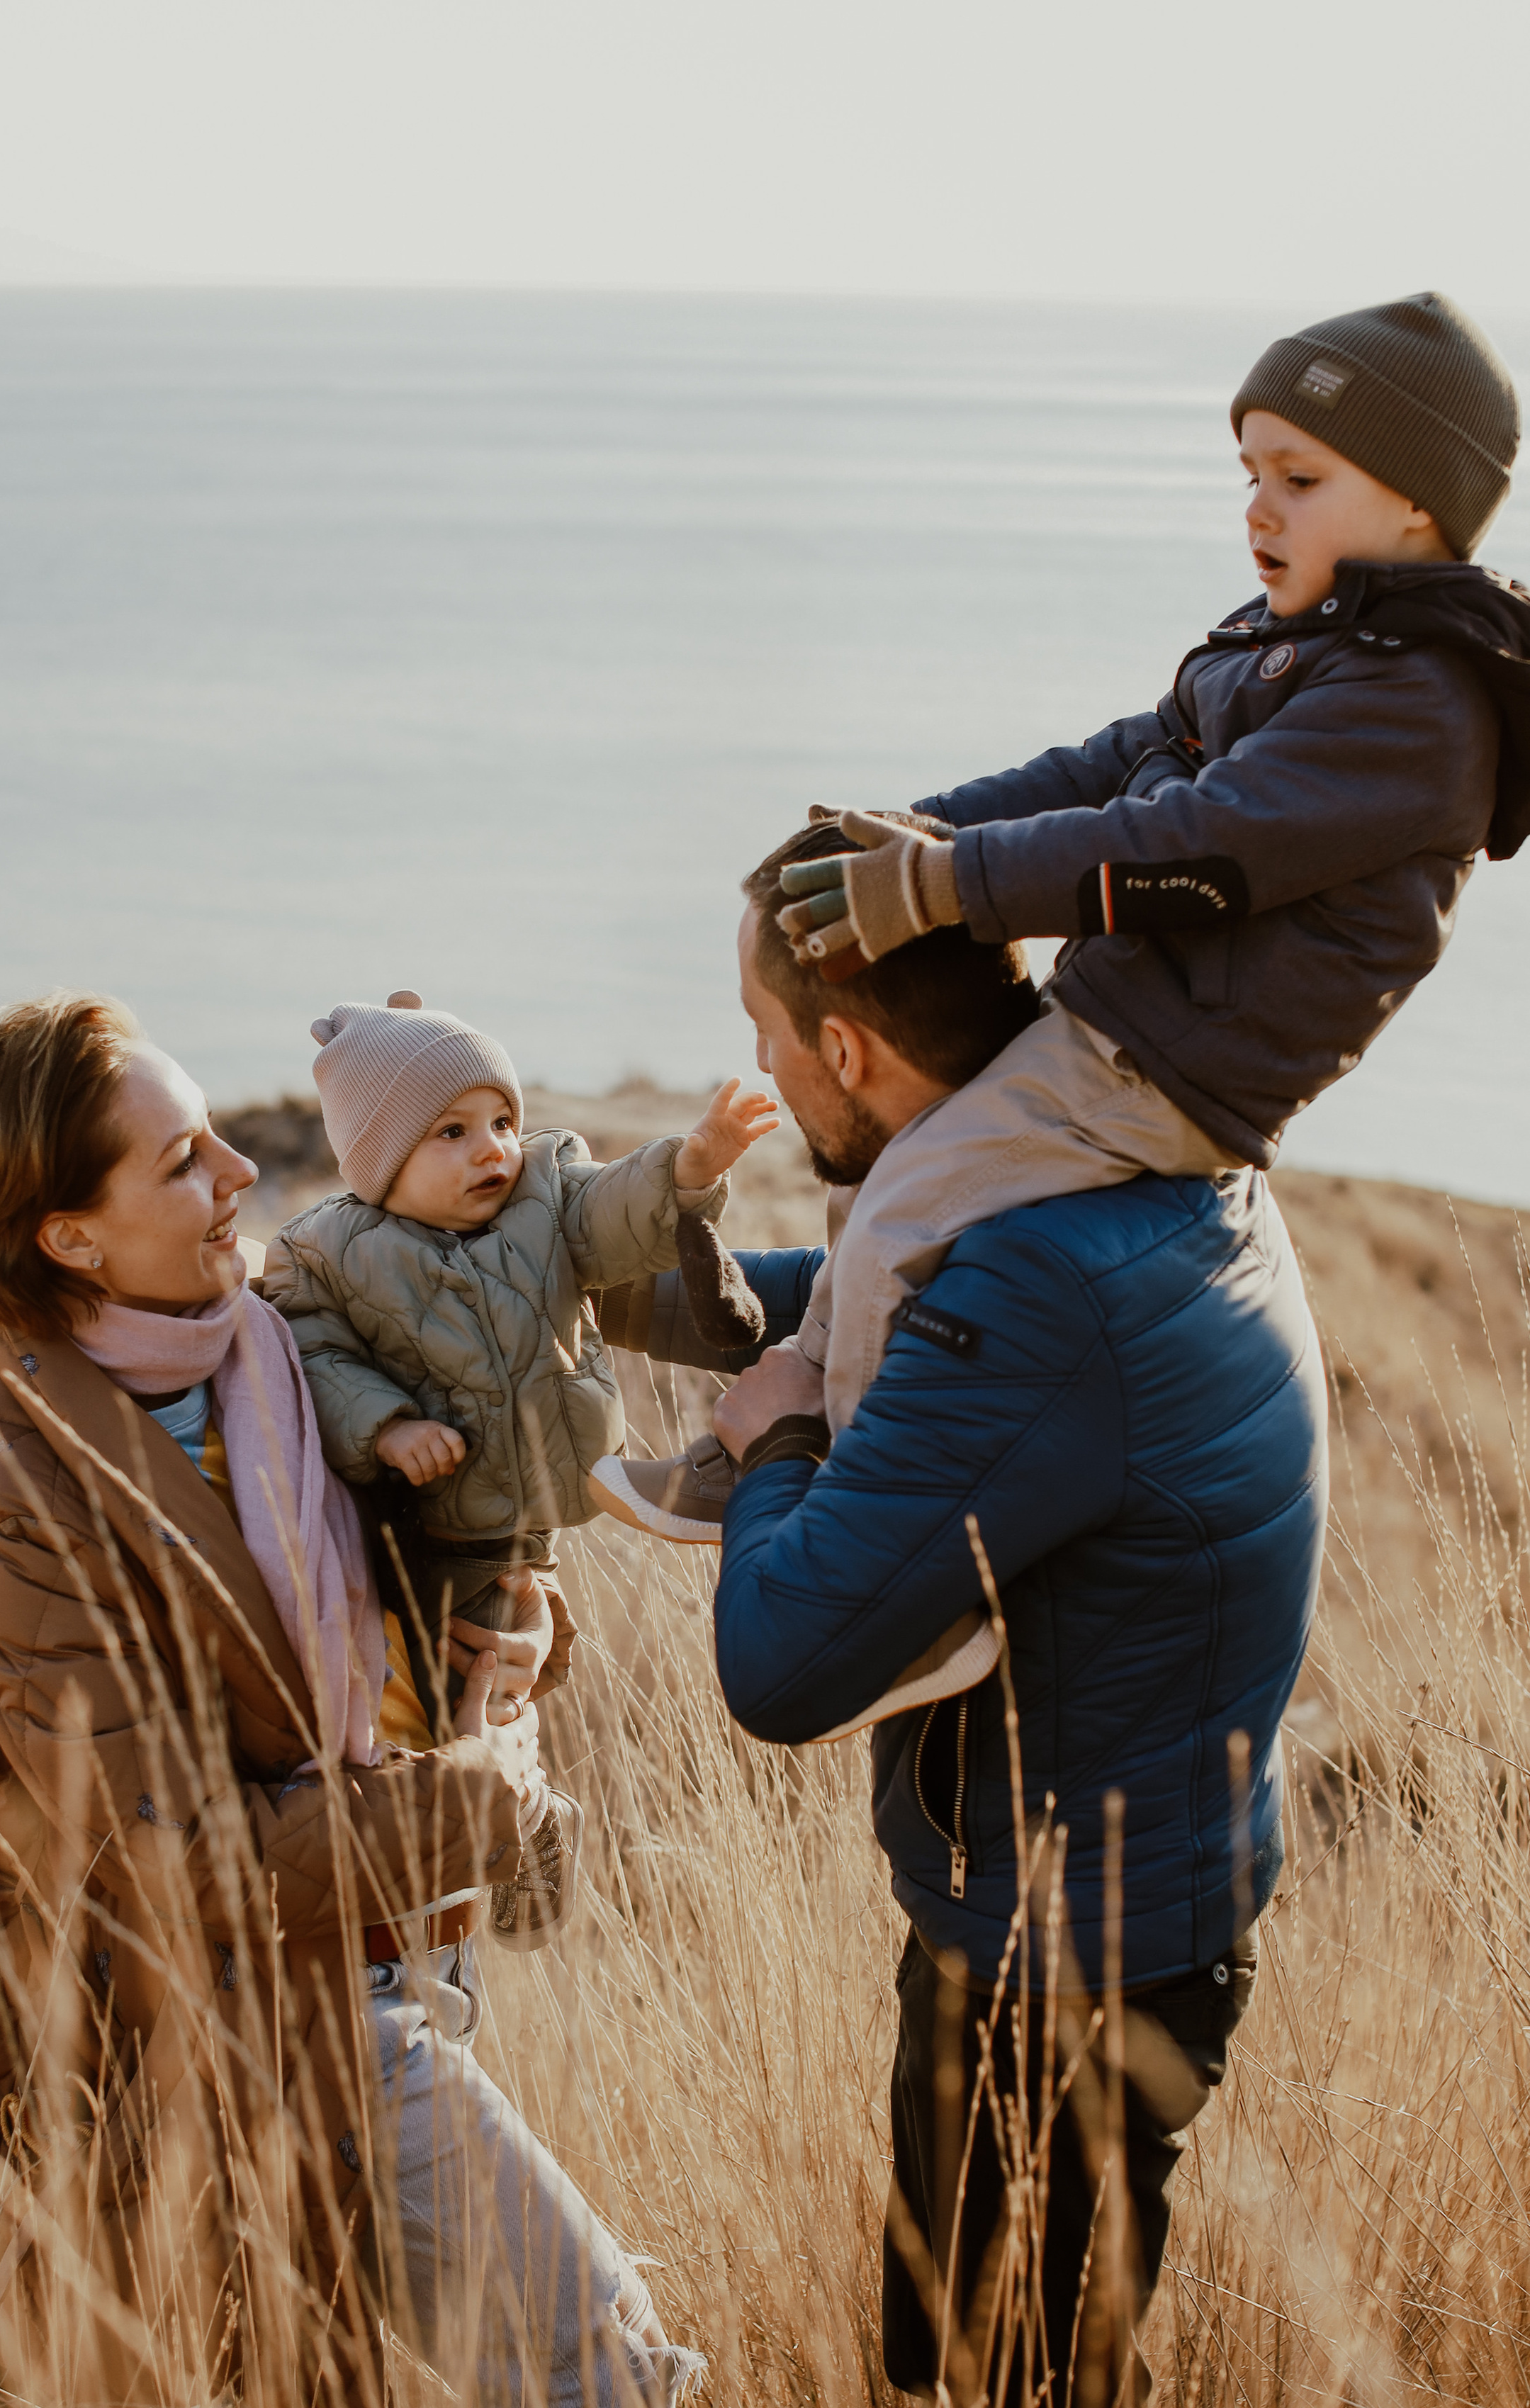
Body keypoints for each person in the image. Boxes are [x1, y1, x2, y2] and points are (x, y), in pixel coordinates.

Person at [0, 991, 696, 2408]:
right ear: (69, 1231)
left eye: (220, 1135)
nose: (238, 1170)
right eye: (180, 1155)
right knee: (599, 2373)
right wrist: (484, 1813)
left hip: (361, 1970)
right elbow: (173, 1852)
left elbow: (386, 1642)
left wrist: (508, 1634)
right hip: (222, 2031)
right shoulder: (23, 1493)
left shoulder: (265, 1360)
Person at [613, 866, 1328, 2408]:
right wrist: (623, 1289)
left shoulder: (1028, 1291)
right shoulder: (1101, 1158)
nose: (762, 1067)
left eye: (776, 1045)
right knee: (975, 2384)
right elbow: (861, 1303)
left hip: (1074, 1969)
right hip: (1073, 1905)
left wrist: (768, 1443)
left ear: (846, 1052)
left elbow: (780, 1664)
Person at [609, 289, 1529, 1540]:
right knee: (884, 1167)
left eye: (1299, 479)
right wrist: (914, 830)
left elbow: (1195, 850)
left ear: (1417, 500)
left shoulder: (1416, 706)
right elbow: (1109, 764)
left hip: (1179, 1071)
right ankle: (807, 1410)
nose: (1259, 508)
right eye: (1249, 471)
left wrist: (943, 884)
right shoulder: (1293, 642)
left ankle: (860, 1510)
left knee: (907, 1207)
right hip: (1119, 1026)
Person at [261, 990, 774, 1636]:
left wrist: (685, 1170)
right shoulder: (325, 1253)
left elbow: (610, 1210)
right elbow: (315, 1356)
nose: (493, 1149)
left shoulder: (545, 1194)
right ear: (379, 1161)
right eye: (454, 1131)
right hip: (434, 1528)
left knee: (519, 1659)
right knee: (451, 1673)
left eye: (502, 1122)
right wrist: (386, 1428)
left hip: (542, 1512)